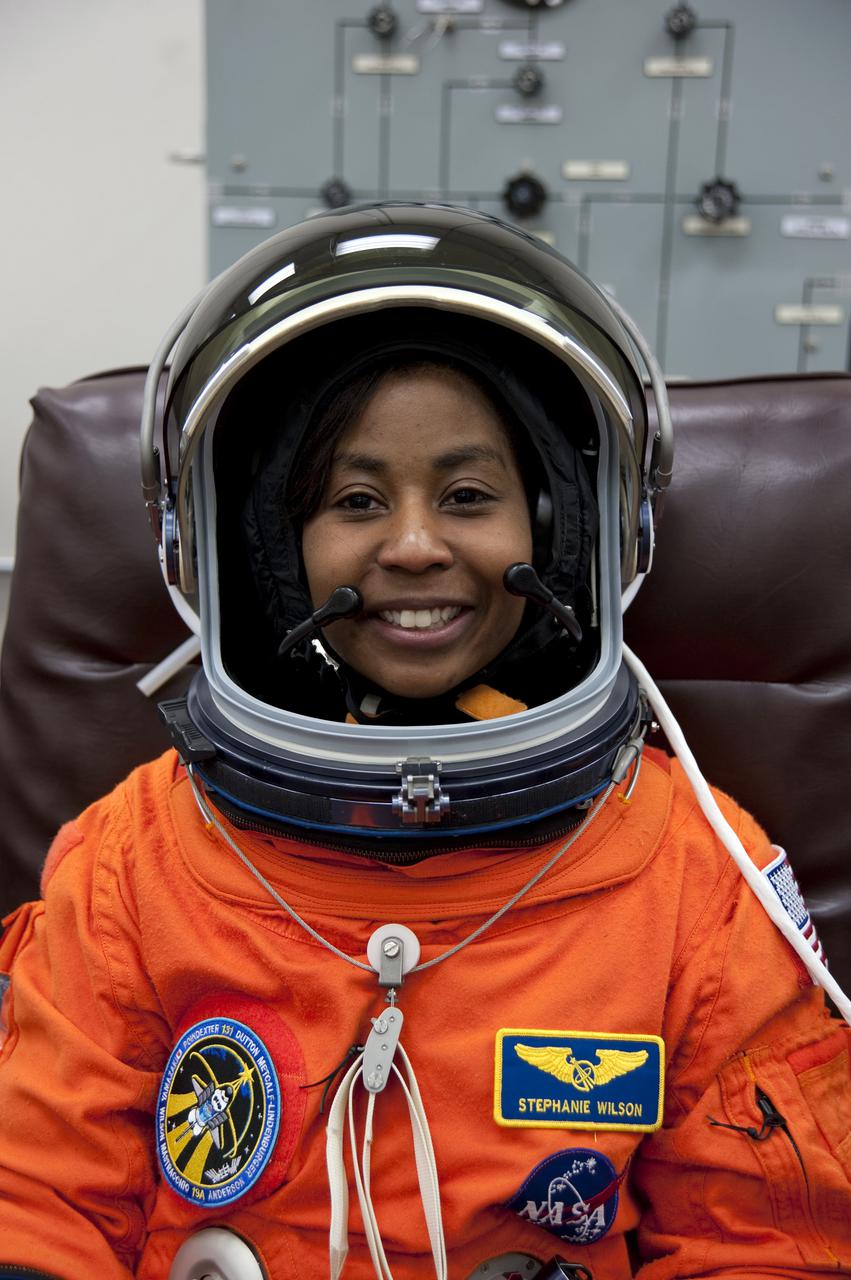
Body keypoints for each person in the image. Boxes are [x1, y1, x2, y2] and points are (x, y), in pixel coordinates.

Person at [0, 202, 849, 1280]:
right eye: (355, 499)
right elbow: (38, 1203)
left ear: (563, 528)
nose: (411, 545)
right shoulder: (135, 865)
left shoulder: (693, 875)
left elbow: (765, 1239)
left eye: (466, 495)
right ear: (270, 549)